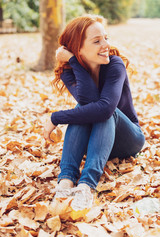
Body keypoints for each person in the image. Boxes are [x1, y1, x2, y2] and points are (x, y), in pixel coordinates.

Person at [43, 15, 145, 211]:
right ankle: (65, 182)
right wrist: (74, 62)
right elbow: (87, 101)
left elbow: (105, 109)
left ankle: (86, 187)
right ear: (77, 48)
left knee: (105, 111)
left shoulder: (115, 65)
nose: (105, 44)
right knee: (84, 109)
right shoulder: (69, 71)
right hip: (98, 143)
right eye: (97, 41)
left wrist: (56, 117)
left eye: (105, 38)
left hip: (129, 138)